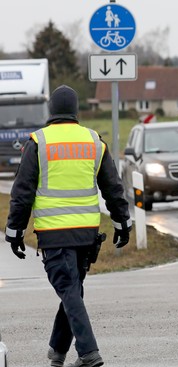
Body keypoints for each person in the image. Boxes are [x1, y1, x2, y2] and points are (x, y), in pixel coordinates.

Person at [4, 85, 132, 367]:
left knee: (70, 291)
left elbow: (22, 192)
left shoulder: (39, 142)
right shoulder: (94, 141)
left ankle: (89, 353)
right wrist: (123, 222)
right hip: (86, 234)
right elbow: (113, 187)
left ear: (51, 110)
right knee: (72, 290)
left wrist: (14, 232)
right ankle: (58, 351)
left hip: (54, 234)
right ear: (76, 110)